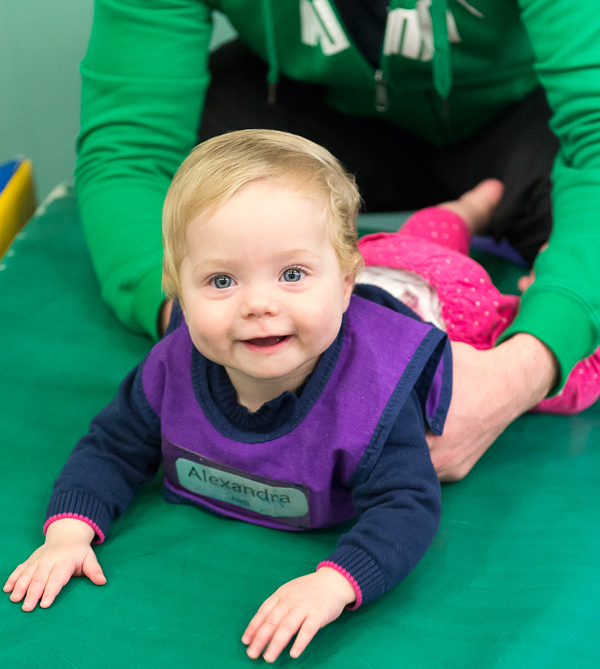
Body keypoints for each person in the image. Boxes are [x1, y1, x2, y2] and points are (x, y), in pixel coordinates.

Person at [75, 0, 600, 481]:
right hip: (313, 115)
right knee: (210, 161)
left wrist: (524, 368)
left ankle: (483, 220)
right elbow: (131, 152)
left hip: (525, 118)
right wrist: (195, 314)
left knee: (578, 317)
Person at [4, 131, 452, 663]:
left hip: (426, 285)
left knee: (439, 243)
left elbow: (408, 502)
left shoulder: (373, 395)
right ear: (178, 294)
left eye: (292, 274)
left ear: (346, 282)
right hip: (350, 268)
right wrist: (69, 532)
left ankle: (464, 211)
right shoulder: (171, 368)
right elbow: (112, 446)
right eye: (221, 281)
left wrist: (335, 583)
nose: (258, 304)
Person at [356, 180, 600, 415]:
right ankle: (471, 207)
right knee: (433, 229)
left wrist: (550, 298)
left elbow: (580, 372)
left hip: (400, 280)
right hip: (393, 267)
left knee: (545, 348)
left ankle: (474, 207)